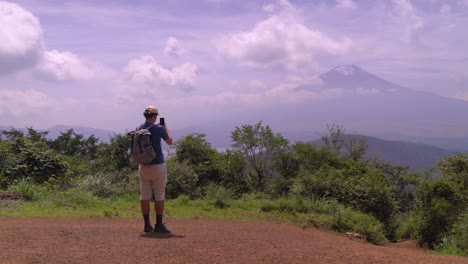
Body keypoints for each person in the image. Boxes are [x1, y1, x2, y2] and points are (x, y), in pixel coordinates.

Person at [138, 105, 173, 233]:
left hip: (143, 166)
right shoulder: (158, 128)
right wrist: (165, 126)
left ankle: (147, 225)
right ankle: (159, 225)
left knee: (145, 196)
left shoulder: (139, 128)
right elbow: (169, 141)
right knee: (159, 195)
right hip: (158, 165)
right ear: (154, 116)